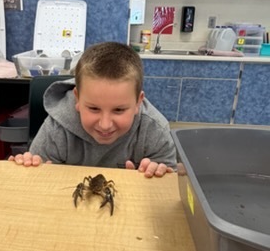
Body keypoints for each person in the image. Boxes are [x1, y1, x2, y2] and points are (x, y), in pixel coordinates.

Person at [9, 41, 176, 177]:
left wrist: (154, 177)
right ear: (77, 99)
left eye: (118, 110)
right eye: (94, 108)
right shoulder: (56, 129)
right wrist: (29, 167)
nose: (105, 125)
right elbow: (36, 180)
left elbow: (169, 183)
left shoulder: (156, 131)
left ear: (138, 103)